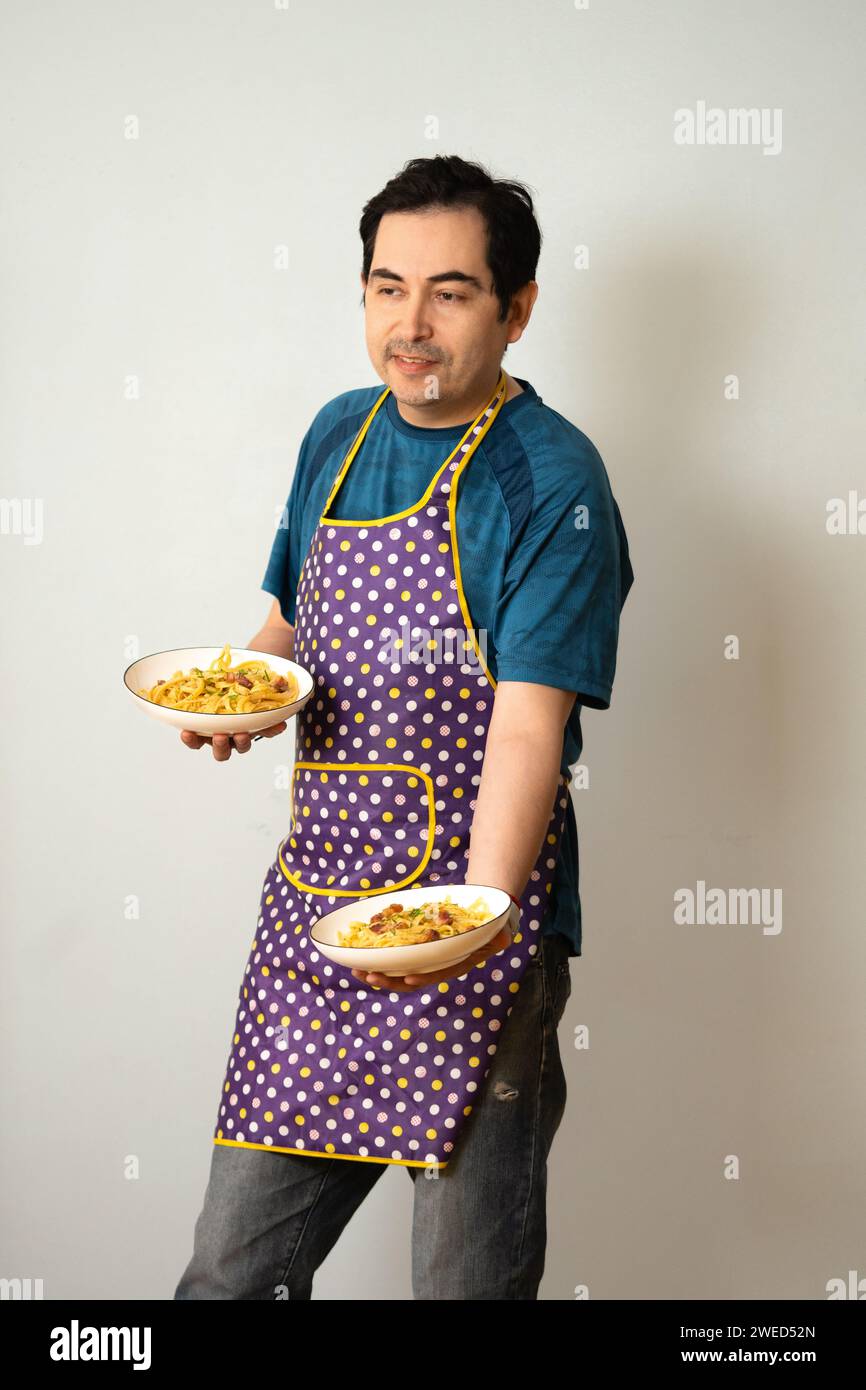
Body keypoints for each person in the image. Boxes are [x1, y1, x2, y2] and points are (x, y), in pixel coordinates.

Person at [174, 154, 634, 1300]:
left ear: (516, 309)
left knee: (461, 1292)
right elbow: (287, 615)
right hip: (314, 925)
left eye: (450, 291)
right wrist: (246, 689)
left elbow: (528, 731)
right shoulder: (337, 434)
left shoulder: (551, 481)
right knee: (229, 1278)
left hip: (475, 930)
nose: (409, 325)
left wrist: (460, 924)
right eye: (387, 287)